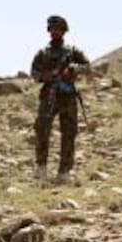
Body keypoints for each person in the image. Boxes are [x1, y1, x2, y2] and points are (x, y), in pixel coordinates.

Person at [31, 15, 90, 184]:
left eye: (58, 29)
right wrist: (46, 76)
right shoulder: (43, 53)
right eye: (52, 29)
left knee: (69, 133)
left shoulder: (72, 51)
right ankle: (41, 168)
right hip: (49, 95)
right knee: (42, 130)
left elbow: (88, 66)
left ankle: (64, 171)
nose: (55, 32)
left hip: (68, 96)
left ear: (64, 31)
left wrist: (73, 69)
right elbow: (34, 73)